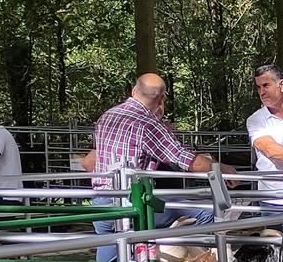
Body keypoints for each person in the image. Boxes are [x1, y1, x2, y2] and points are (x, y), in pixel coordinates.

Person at [79, 72, 225, 228]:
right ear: (161, 99)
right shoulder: (148, 124)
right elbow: (185, 159)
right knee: (207, 212)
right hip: (133, 203)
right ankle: (173, 249)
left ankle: (150, 249)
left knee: (110, 246)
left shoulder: (107, 116)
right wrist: (222, 169)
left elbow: (89, 162)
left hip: (102, 202)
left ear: (134, 91)